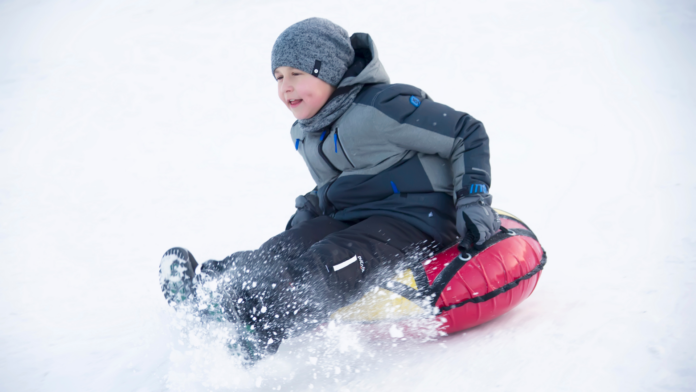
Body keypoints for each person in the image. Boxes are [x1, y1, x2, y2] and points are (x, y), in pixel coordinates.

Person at [159, 17, 500, 364]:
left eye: (297, 74)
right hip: (352, 214)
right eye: (278, 77)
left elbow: (465, 133)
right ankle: (209, 291)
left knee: (332, 258)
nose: (285, 88)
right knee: (279, 249)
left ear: (330, 71)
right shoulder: (306, 132)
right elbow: (341, 180)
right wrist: (312, 206)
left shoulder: (383, 106)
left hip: (415, 217)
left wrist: (473, 198)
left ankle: (261, 326)